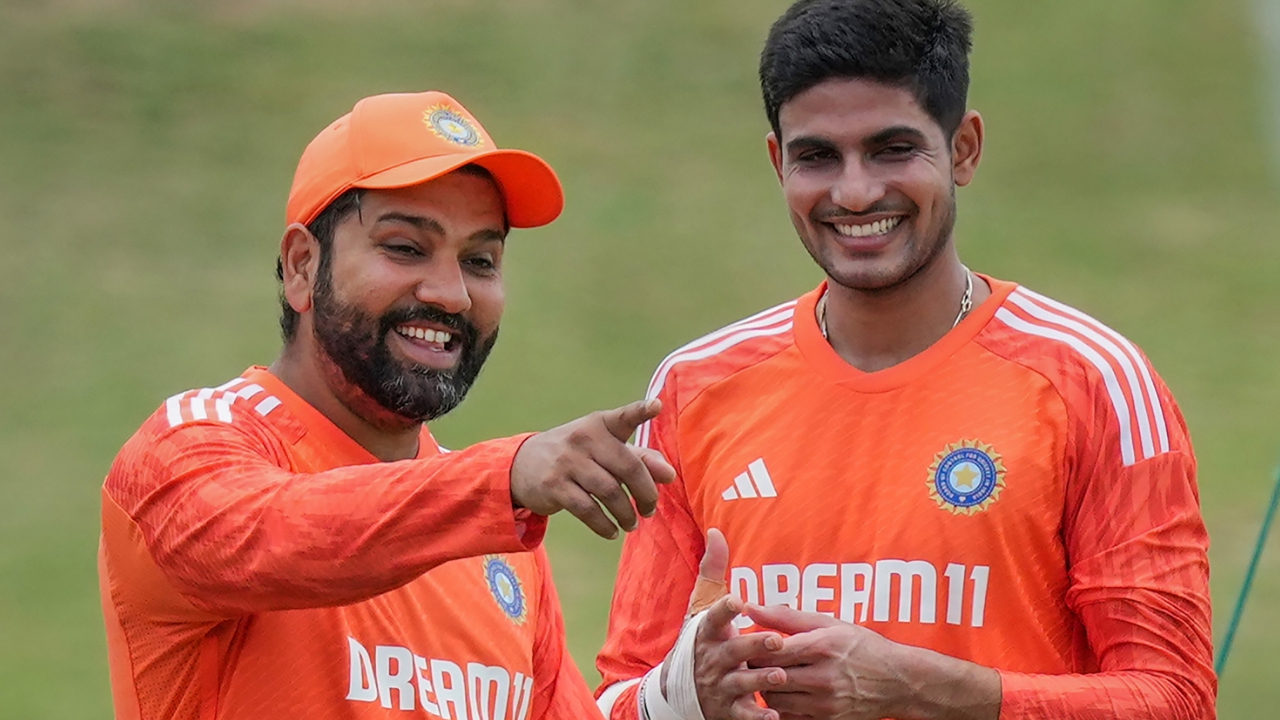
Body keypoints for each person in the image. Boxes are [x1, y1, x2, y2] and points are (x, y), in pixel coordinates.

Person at [594, 1, 1215, 719]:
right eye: (817, 156)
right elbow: (616, 695)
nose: (854, 192)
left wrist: (922, 689)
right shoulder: (694, 387)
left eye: (893, 149)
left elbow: (1175, 700)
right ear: (777, 161)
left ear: (964, 149)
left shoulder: (1095, 380)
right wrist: (684, 698)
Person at [99, 90, 675, 720]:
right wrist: (500, 479)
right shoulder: (191, 444)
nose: (451, 294)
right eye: (404, 247)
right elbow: (268, 538)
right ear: (301, 265)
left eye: (480, 260)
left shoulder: (499, 538)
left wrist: (683, 704)